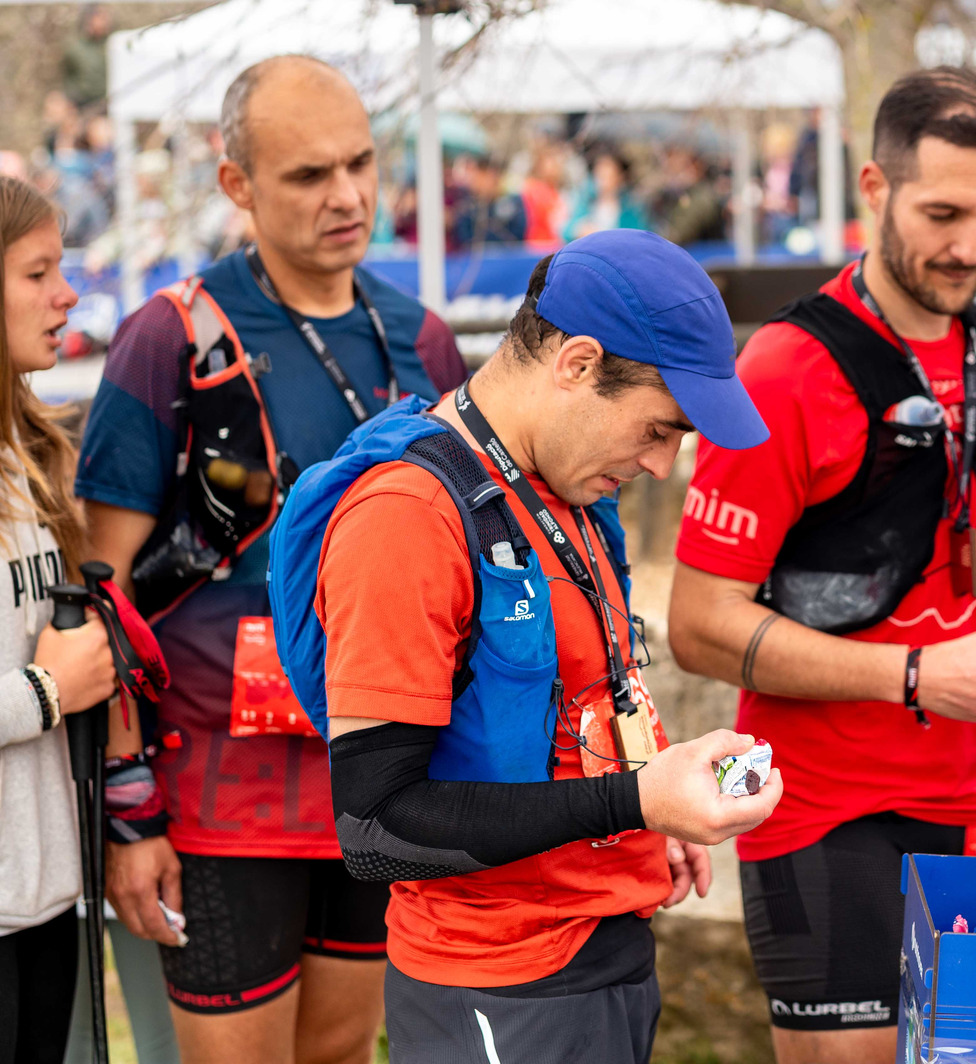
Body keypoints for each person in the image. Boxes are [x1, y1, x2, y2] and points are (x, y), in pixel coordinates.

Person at [264, 229, 781, 1064]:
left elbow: (575, 702)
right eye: (660, 428)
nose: (662, 465)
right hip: (497, 985)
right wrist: (635, 802)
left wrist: (655, 796)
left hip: (603, 946)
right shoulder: (407, 517)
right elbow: (375, 827)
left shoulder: (561, 479)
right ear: (577, 363)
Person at [669, 67, 976, 1064]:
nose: (971, 246)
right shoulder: (782, 370)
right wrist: (912, 675)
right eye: (942, 214)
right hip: (822, 806)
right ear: (873, 187)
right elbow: (698, 625)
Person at [73, 55, 466, 1064]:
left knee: (341, 1049)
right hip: (218, 796)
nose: (347, 195)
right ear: (236, 185)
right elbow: (100, 591)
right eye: (307, 174)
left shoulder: (420, 337)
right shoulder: (170, 338)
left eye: (360, 163)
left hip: (376, 780)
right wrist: (129, 813)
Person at [0, 176, 117, 1064]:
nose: (67, 295)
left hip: (43, 891)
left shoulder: (31, 451)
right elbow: (47, 681)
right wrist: (47, 690)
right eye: (38, 273)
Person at [563, 146, 648, 241]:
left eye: (609, 175)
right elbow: (566, 230)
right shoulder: (586, 202)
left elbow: (639, 236)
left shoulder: (631, 209)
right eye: (600, 175)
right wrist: (580, 229)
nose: (603, 181)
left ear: (620, 177)